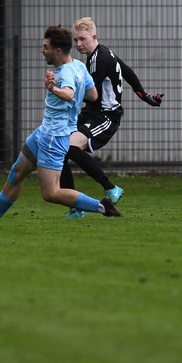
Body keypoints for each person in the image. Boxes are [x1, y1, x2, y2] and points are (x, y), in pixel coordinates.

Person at [0, 25, 122, 219]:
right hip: (43, 133)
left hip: (54, 138)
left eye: (45, 47)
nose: (42, 50)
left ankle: (103, 208)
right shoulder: (79, 66)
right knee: (17, 172)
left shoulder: (64, 73)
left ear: (57, 51)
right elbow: (93, 94)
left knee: (51, 193)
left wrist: (53, 88)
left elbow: (69, 94)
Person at [60, 17, 164, 218]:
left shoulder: (100, 58)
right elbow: (127, 71)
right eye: (76, 40)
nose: (79, 44)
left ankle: (110, 187)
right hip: (92, 114)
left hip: (105, 117)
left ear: (94, 37)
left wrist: (64, 95)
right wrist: (145, 96)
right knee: (61, 149)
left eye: (83, 39)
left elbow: (92, 94)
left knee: (69, 147)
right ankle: (75, 207)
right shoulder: (103, 53)